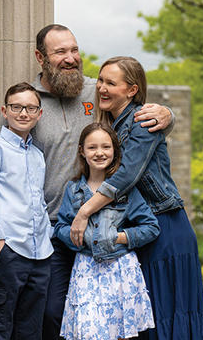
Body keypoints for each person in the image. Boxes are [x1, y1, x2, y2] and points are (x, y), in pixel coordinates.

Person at [0, 24, 174, 339]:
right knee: (52, 314)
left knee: (108, 316)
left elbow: (132, 108)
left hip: (99, 222)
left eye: (74, 50)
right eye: (60, 52)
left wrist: (166, 114)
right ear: (40, 57)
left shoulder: (96, 91)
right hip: (47, 230)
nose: (71, 59)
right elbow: (6, 160)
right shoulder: (27, 105)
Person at [70, 56, 203, 339]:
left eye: (111, 82)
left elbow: (126, 177)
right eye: (100, 80)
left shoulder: (142, 120)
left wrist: (83, 213)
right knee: (142, 321)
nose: (101, 88)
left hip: (165, 227)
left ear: (132, 90)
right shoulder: (108, 123)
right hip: (136, 230)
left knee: (167, 315)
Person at [55, 123, 159, 340]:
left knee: (120, 333)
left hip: (120, 269)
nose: (100, 153)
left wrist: (119, 237)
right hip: (86, 268)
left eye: (106, 147)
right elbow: (61, 227)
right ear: (82, 151)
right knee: (87, 331)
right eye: (92, 147)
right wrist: (78, 238)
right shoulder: (73, 190)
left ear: (115, 151)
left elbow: (151, 227)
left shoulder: (126, 191)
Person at [0, 82, 53, 339]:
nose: (23, 113)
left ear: (39, 114)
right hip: (7, 254)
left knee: (30, 331)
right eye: (16, 107)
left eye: (30, 108)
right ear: (4, 111)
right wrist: (0, 248)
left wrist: (45, 238)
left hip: (39, 255)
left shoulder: (37, 155)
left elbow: (38, 201)